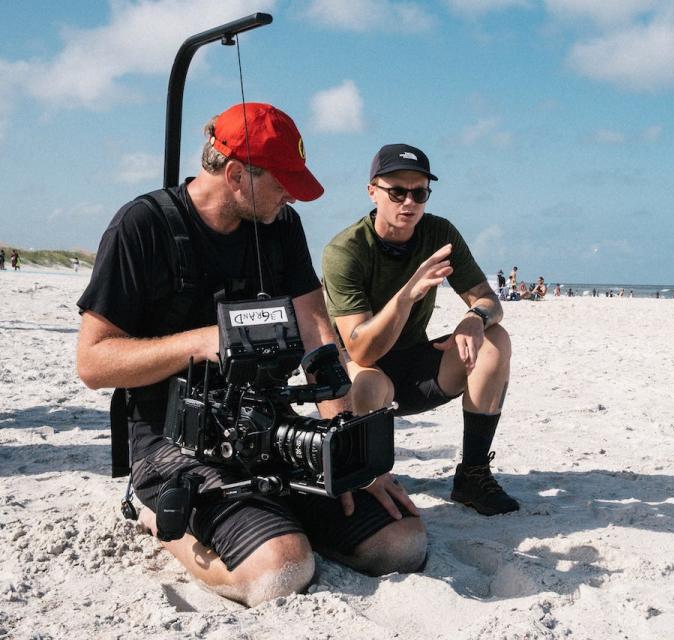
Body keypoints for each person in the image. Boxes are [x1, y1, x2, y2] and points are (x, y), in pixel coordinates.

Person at [75, 104, 425, 607]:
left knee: (401, 543)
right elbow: (93, 362)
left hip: (269, 425)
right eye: (281, 181)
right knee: (281, 571)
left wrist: (347, 454)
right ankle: (156, 514)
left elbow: (317, 335)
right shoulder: (142, 226)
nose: (290, 195)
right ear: (236, 174)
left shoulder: (281, 226)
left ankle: (282, 518)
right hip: (174, 439)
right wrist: (200, 343)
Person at [322, 143, 518, 517]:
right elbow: (361, 350)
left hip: (416, 364)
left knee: (495, 340)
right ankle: (369, 480)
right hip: (365, 369)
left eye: (419, 192)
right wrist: (407, 294)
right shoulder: (345, 250)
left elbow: (490, 300)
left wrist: (474, 318)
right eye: (397, 191)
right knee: (369, 383)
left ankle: (473, 474)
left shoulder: (439, 233)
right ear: (372, 191)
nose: (408, 202)